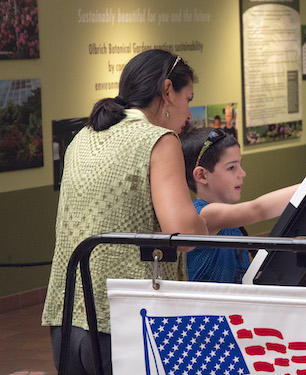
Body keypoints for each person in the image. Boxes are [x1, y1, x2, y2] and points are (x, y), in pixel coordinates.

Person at [41, 50, 208, 374]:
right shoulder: (159, 138)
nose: (188, 111)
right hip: (124, 317)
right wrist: (206, 221)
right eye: (188, 98)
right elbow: (183, 234)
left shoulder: (83, 137)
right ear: (167, 90)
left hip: (66, 313)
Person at [180, 127, 298, 283]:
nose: (242, 173)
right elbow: (258, 209)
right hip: (212, 307)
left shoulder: (233, 225)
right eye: (231, 167)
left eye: (240, 165)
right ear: (202, 175)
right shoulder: (205, 215)